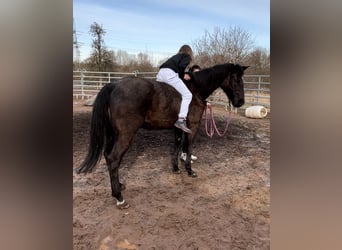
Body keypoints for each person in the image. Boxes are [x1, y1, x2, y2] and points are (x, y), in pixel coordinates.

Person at [156, 45, 194, 134]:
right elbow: (181, 67)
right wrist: (183, 75)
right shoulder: (187, 56)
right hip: (170, 74)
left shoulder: (175, 57)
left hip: (160, 73)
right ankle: (181, 120)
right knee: (188, 95)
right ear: (189, 52)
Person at [180, 64, 202, 163]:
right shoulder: (187, 82)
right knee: (185, 132)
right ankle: (183, 154)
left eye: (199, 73)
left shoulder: (198, 84)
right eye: (196, 73)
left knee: (191, 132)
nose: (197, 75)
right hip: (187, 110)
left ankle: (187, 152)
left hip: (193, 110)